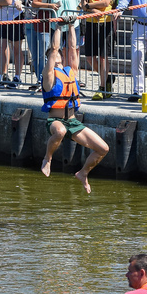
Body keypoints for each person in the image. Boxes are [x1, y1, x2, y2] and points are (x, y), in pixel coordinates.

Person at [39, 25, 110, 193]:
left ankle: (83, 173)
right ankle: (47, 159)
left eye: (58, 57)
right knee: (60, 131)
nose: (56, 57)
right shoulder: (48, 75)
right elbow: (56, 47)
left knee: (103, 149)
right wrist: (58, 27)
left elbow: (72, 48)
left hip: (72, 121)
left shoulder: (70, 71)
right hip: (55, 121)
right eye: (52, 56)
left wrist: (71, 26)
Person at [81, 0, 119, 100]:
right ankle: (107, 77)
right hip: (91, 20)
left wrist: (90, 6)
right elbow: (82, 2)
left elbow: (107, 1)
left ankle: (102, 87)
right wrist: (91, 10)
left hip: (105, 21)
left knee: (103, 56)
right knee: (90, 57)